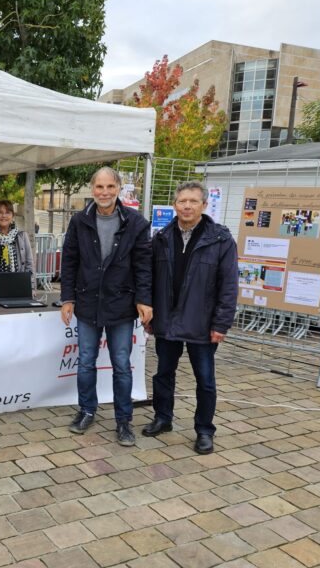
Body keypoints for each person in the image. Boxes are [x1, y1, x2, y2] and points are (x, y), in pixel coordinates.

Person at [143, 180, 238, 455]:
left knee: (205, 380)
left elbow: (229, 286)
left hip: (203, 324)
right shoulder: (160, 239)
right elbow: (149, 279)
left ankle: (205, 430)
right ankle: (163, 418)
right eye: (182, 201)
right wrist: (148, 312)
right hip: (167, 322)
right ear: (175, 205)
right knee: (163, 373)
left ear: (204, 205)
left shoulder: (220, 239)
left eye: (193, 201)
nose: (187, 206)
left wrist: (221, 323)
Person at [60, 166, 152, 447]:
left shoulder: (136, 223)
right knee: (86, 362)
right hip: (87, 304)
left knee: (122, 365)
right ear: (92, 189)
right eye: (99, 187)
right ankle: (87, 410)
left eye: (110, 187)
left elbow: (143, 267)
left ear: (119, 188)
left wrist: (144, 299)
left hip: (121, 305)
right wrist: (67, 298)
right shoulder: (79, 221)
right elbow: (70, 261)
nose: (104, 192)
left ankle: (124, 421)